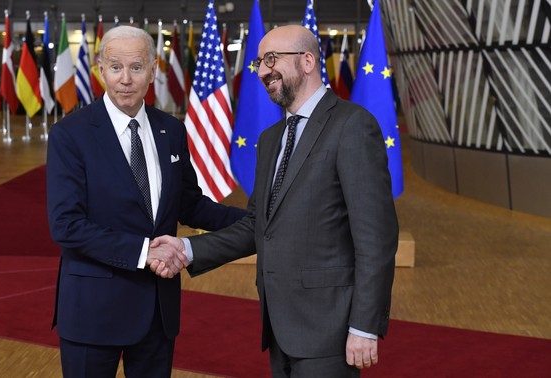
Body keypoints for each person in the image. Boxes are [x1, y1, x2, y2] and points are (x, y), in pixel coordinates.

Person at [150, 25, 399, 377]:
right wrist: (186, 249)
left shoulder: (352, 126)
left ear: (308, 61)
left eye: (272, 59)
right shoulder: (271, 139)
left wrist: (364, 326)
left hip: (331, 327)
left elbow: (377, 238)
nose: (264, 71)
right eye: (259, 63)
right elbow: (259, 226)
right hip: (280, 327)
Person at [46, 25, 246, 378]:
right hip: (93, 311)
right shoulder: (70, 135)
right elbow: (66, 225)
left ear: (154, 69)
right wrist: (144, 251)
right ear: (99, 68)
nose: (125, 78)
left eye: (136, 67)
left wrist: (252, 221)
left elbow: (189, 204)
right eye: (116, 67)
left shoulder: (171, 130)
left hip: (157, 310)